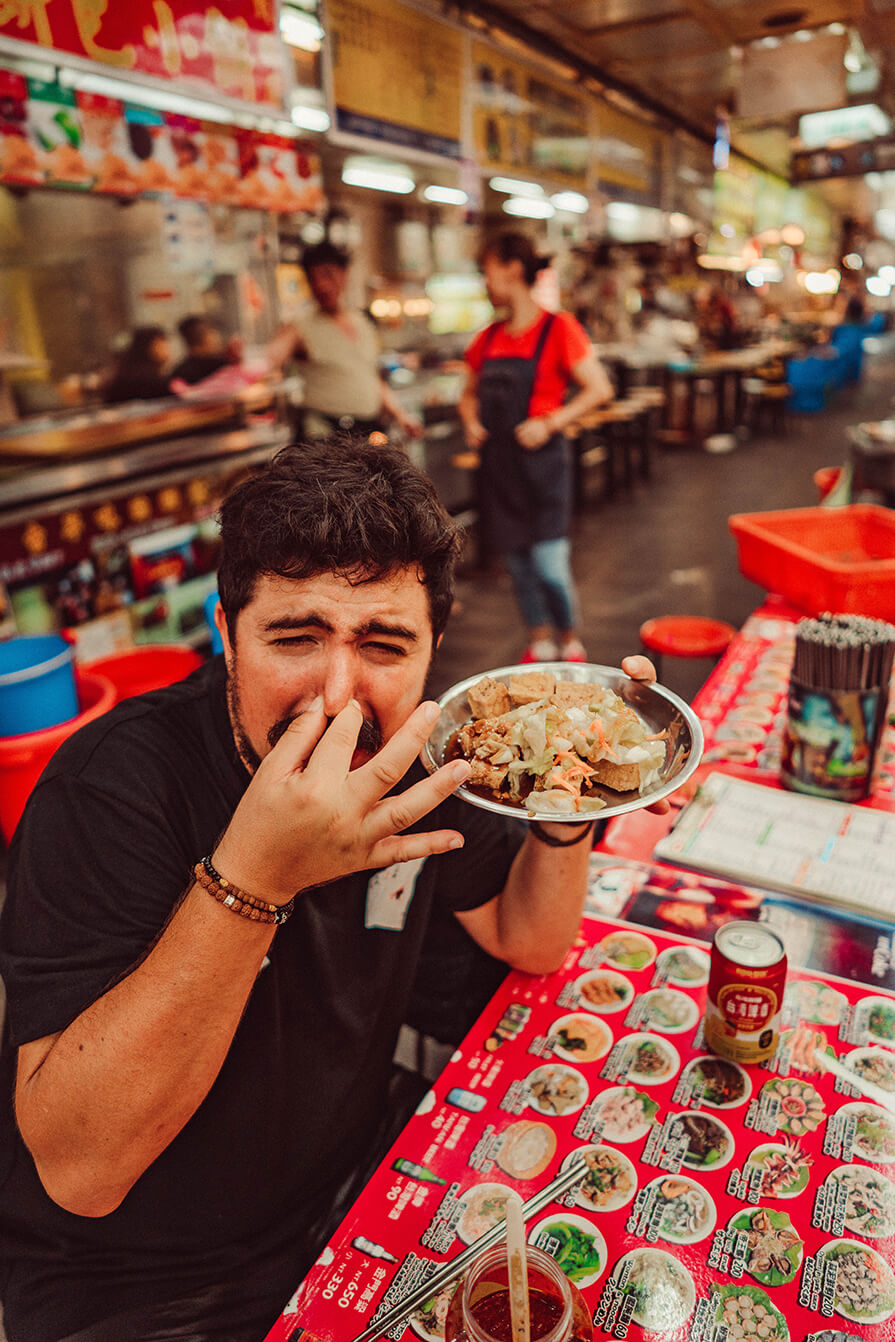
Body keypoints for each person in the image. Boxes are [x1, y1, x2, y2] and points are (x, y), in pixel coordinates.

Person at [0, 439, 661, 1342]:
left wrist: (569, 799)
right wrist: (256, 877)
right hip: (147, 1278)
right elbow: (83, 1170)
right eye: (295, 637)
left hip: (356, 1180)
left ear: (435, 650)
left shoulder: (416, 762)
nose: (339, 695)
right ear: (226, 634)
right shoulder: (111, 788)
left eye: (383, 644)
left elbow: (532, 940)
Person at [459, 231, 613, 663]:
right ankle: (539, 637)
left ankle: (569, 638)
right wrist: (471, 421)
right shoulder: (487, 339)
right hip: (501, 469)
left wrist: (551, 423)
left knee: (549, 566)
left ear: (511, 269)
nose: (485, 282)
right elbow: (467, 393)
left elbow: (599, 389)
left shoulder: (558, 328)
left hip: (544, 468)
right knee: (520, 567)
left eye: (487, 271)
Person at [287, 241, 423, 440]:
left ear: (345, 274)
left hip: (367, 431)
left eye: (327, 275)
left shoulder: (364, 323)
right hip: (324, 437)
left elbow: (372, 379)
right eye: (312, 279)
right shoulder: (298, 326)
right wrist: (240, 358)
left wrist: (402, 416)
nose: (321, 285)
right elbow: (266, 359)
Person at [103, 326, 172, 404]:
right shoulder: (145, 378)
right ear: (148, 347)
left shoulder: (133, 372)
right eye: (161, 344)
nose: (167, 348)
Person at [171, 315, 234, 386]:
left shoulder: (178, 373)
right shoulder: (222, 368)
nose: (217, 337)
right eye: (211, 332)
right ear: (204, 338)